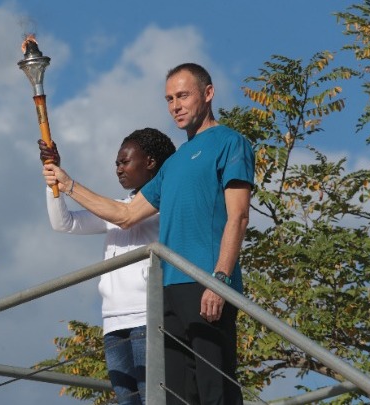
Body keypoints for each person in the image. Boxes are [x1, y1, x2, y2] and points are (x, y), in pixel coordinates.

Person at [41, 63, 254, 404]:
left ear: (208, 94)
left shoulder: (231, 143)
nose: (175, 106)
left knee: (216, 391)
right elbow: (125, 214)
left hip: (208, 282)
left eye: (183, 95)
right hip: (166, 292)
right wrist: (67, 184)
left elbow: (238, 216)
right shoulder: (173, 164)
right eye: (169, 99)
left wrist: (220, 278)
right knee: (174, 395)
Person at [39, 128, 175, 405]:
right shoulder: (119, 207)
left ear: (150, 162)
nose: (119, 169)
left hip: (146, 317)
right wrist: (53, 179)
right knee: (128, 400)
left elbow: (125, 217)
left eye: (125, 162)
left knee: (154, 398)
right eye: (116, 163)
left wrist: (70, 184)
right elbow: (64, 223)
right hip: (113, 319)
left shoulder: (165, 203)